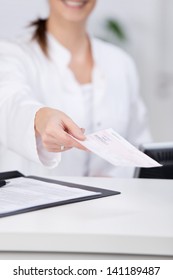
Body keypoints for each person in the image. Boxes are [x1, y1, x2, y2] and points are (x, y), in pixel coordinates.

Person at [0, 0, 151, 177]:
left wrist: (116, 178)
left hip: (112, 202)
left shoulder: (121, 62)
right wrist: (40, 117)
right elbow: (8, 100)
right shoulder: (11, 53)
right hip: (40, 202)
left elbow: (139, 145)